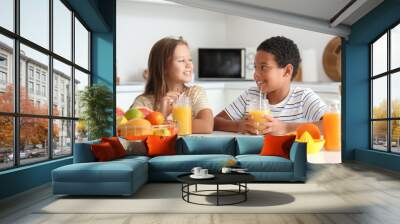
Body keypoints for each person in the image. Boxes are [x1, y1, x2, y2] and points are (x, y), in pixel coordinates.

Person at [214, 36, 327, 135]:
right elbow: (215, 121)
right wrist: (239, 126)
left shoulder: (303, 98)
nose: (256, 75)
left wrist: (286, 128)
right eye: (255, 67)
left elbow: (334, 126)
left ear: (287, 71)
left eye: (263, 67)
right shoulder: (251, 95)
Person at [130, 36, 213, 134]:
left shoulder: (195, 93)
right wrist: (161, 114)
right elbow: (132, 130)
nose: (189, 65)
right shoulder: (143, 102)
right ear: (163, 67)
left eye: (190, 60)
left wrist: (164, 123)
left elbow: (206, 126)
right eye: (181, 60)